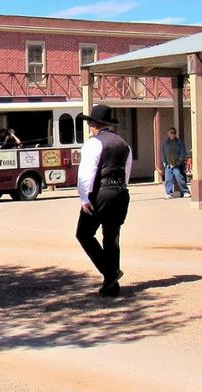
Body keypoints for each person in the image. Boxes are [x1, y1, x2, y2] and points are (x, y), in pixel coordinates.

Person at [76, 104, 132, 298]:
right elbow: (127, 171)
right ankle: (111, 283)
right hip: (120, 192)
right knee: (111, 235)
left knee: (83, 234)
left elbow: (87, 172)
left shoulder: (94, 143)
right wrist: (121, 189)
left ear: (94, 124)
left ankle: (110, 272)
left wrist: (84, 197)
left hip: (101, 192)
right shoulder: (124, 144)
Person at [161, 127, 190, 199]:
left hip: (176, 164)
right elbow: (163, 153)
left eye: (174, 133)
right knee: (168, 179)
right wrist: (164, 162)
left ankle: (185, 191)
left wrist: (179, 162)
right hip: (168, 164)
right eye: (171, 133)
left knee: (179, 177)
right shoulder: (165, 143)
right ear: (168, 134)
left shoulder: (179, 142)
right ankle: (169, 193)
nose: (173, 134)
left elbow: (183, 153)